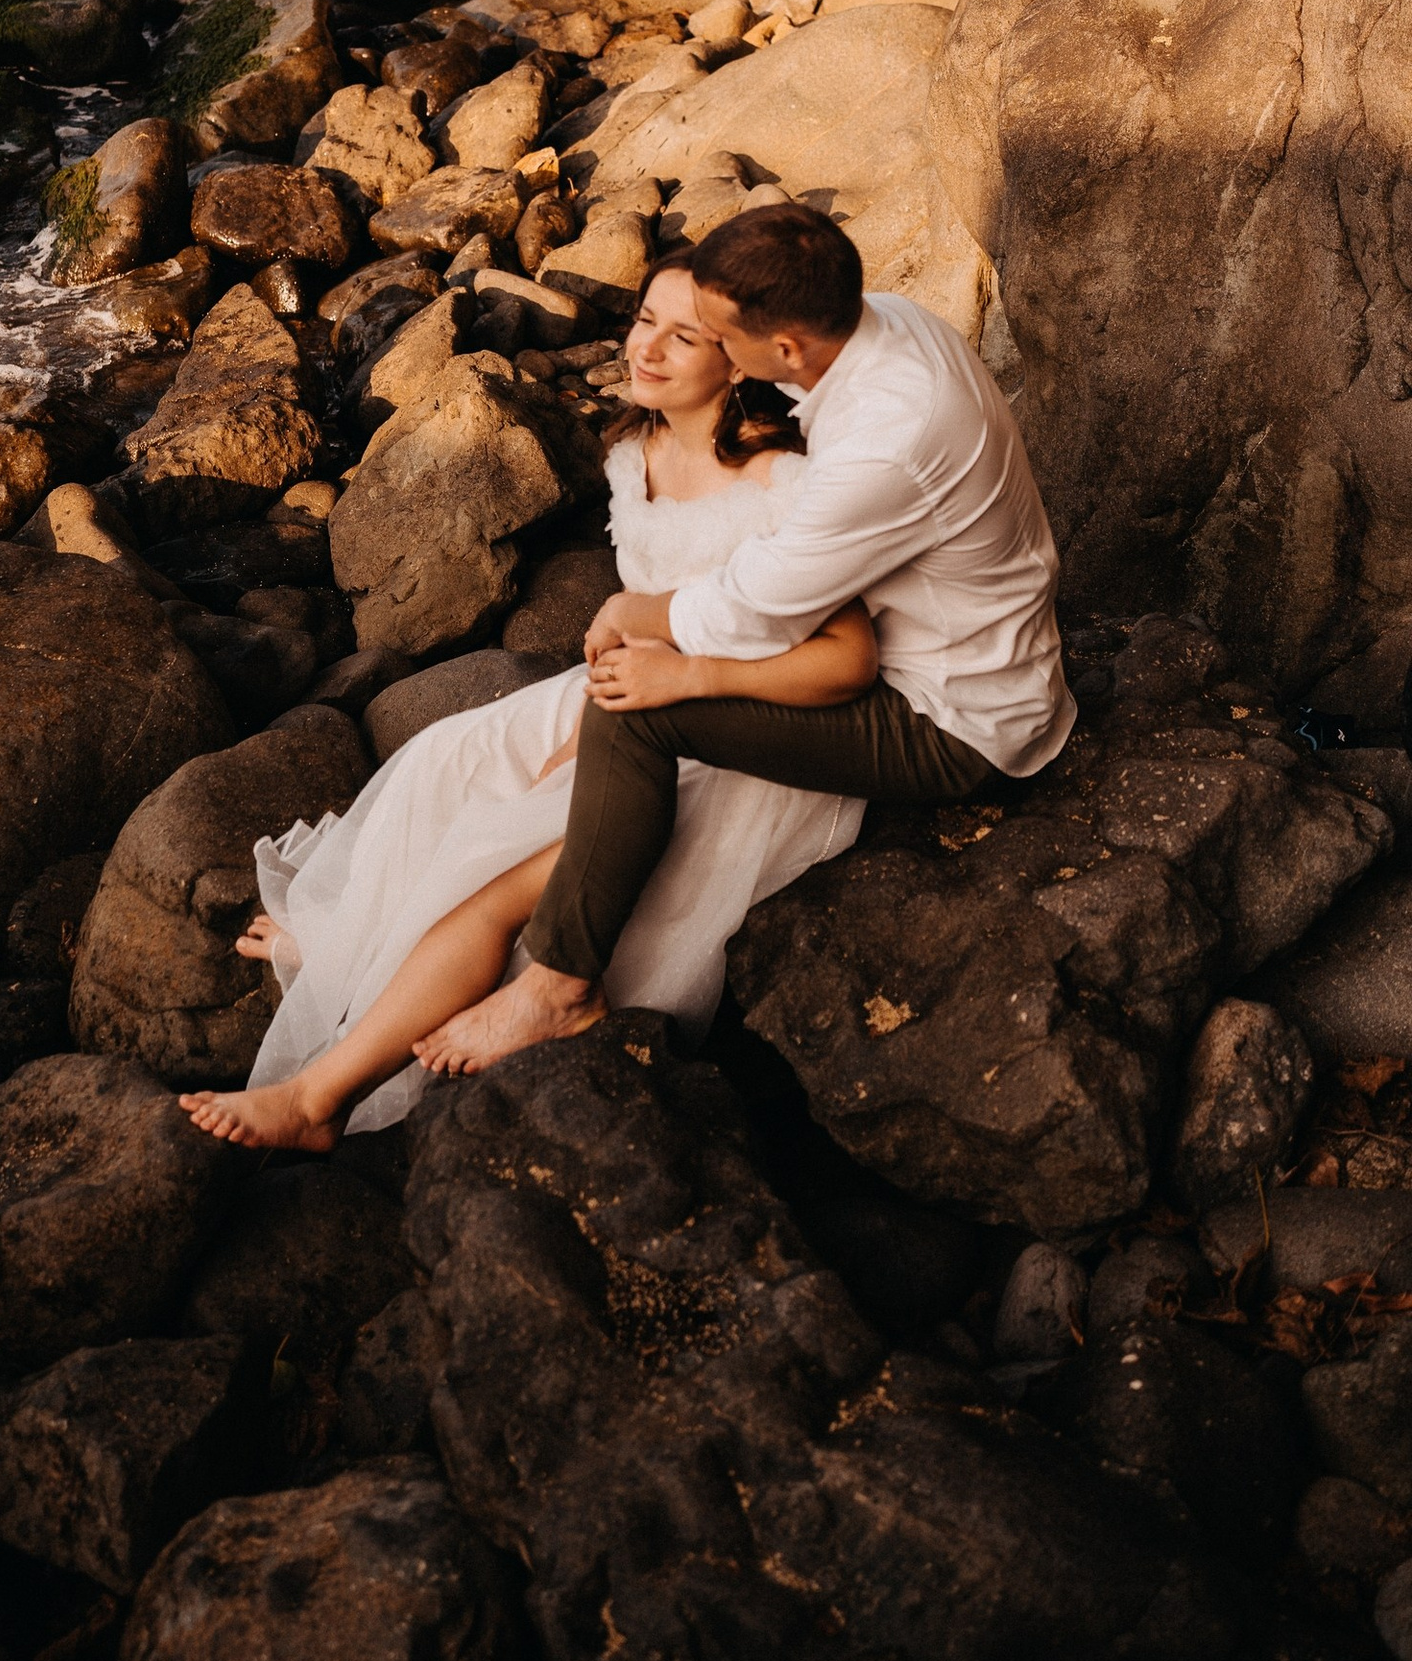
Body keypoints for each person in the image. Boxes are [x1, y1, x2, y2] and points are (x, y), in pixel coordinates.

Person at [178, 256, 874, 1151]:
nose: (647, 350)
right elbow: (654, 611)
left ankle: (318, 1098)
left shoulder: (780, 484)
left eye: (684, 337)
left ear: (738, 359)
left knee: (501, 862)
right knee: (447, 759)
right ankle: (363, 942)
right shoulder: (638, 449)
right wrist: (599, 714)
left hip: (749, 725)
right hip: (642, 693)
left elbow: (848, 660)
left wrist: (655, 704)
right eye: (645, 321)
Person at [420, 201, 1074, 1075]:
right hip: (984, 653)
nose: (718, 353)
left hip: (948, 718)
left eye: (723, 338)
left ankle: (560, 986)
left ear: (787, 349)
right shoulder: (889, 322)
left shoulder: (888, 442)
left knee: (631, 710)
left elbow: (756, 608)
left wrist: (635, 617)